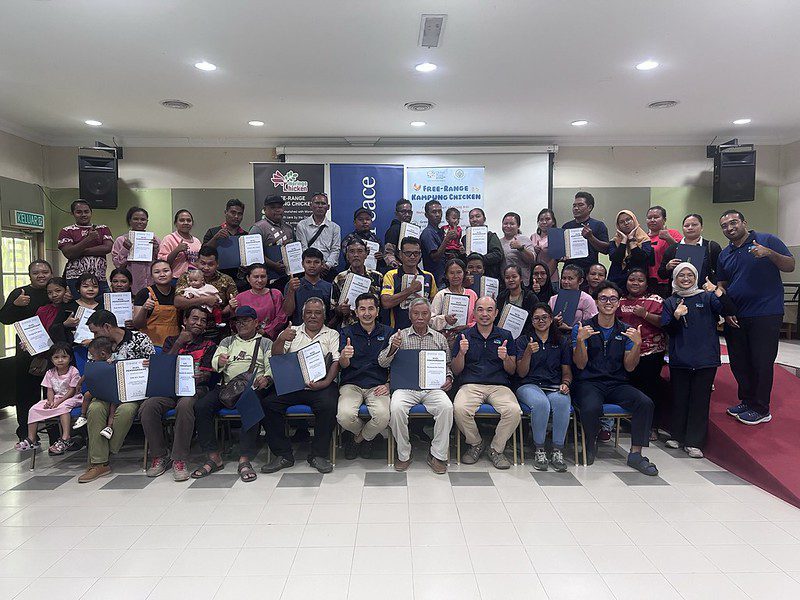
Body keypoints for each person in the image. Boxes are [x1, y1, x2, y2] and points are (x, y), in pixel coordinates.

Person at [718, 210, 795, 424]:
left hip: (765, 312)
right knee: (739, 361)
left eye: (734, 222)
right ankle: (746, 400)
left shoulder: (766, 240)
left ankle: (761, 408)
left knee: (761, 361)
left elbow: (790, 265)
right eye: (725, 225)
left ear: (744, 222)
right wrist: (727, 308)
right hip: (737, 315)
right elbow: (722, 283)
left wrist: (769, 253)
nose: (730, 228)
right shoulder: (725, 254)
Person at [572, 281, 657, 474]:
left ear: (618, 303)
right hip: (589, 382)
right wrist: (579, 341)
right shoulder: (583, 328)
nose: (608, 302)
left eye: (612, 299)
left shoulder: (627, 331)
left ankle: (636, 454)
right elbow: (580, 364)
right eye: (603, 298)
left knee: (645, 402)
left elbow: (630, 366)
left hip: (617, 383)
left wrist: (637, 344)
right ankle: (590, 445)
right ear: (596, 301)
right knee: (591, 406)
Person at [191, 306, 273, 482]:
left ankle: (244, 458)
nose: (241, 324)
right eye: (238, 321)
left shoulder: (265, 342)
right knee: (201, 406)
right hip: (227, 387)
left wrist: (266, 378)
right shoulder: (227, 341)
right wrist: (219, 361)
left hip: (251, 388)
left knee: (251, 405)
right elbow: (215, 363)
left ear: (256, 322)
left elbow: (270, 366)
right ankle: (214, 457)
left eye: (246, 320)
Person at [662, 263, 735, 457]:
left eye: (690, 275)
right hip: (680, 359)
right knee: (680, 399)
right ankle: (677, 436)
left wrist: (718, 291)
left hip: (705, 358)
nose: (685, 279)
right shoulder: (671, 301)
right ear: (675, 279)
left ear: (695, 277)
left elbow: (729, 310)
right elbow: (668, 330)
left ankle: (694, 442)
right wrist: (676, 316)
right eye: (681, 276)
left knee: (700, 401)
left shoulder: (707, 297)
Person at [260, 297, 340, 474]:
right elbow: (276, 357)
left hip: (321, 385)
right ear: (302, 315)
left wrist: (326, 382)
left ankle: (318, 455)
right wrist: (281, 339)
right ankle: (283, 455)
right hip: (293, 385)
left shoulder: (332, 334)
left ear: (324, 316)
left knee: (329, 405)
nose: (313, 316)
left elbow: (336, 361)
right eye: (309, 312)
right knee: (268, 404)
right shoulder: (292, 331)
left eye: (317, 313)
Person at [78, 310, 155, 483]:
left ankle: (104, 452)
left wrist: (149, 364)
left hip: (132, 393)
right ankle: (99, 464)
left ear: (107, 326)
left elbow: (155, 367)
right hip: (105, 391)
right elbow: (93, 370)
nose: (94, 336)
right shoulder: (98, 346)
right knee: (95, 408)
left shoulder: (140, 339)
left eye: (96, 331)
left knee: (126, 410)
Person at [140, 307, 217, 481]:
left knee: (185, 405)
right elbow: (163, 366)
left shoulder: (209, 344)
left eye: (203, 320)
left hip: (195, 388)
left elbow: (208, 374)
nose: (198, 323)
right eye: (194, 319)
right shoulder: (170, 341)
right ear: (185, 320)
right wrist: (179, 343)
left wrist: (201, 376)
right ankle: (160, 455)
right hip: (169, 388)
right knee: (148, 406)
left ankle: (179, 459)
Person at [379, 298, 454, 474]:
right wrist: (393, 348)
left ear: (430, 316)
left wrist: (449, 378)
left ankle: (437, 455)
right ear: (410, 315)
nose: (420, 317)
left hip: (432, 389)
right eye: (416, 313)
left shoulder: (439, 338)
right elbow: (382, 363)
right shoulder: (399, 336)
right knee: (396, 408)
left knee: (447, 407)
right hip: (405, 388)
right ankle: (404, 454)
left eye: (424, 313)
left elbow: (447, 365)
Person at [452, 296, 520, 469]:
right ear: (474, 313)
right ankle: (476, 443)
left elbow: (512, 370)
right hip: (470, 385)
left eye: (489, 310)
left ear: (496, 313)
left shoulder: (505, 336)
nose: (485, 314)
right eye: (480, 309)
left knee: (514, 411)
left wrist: (505, 358)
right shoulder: (464, 335)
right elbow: (456, 370)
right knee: (459, 409)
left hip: (499, 386)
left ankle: (496, 449)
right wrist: (461, 353)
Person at [0, 260, 58, 446]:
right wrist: (16, 305)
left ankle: (55, 435)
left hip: (53, 352)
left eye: (45, 271)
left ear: (51, 272)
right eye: (36, 272)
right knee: (26, 394)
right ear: (29, 275)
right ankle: (26, 433)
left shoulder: (56, 292)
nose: (41, 275)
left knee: (53, 393)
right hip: (27, 353)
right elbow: (4, 318)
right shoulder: (20, 293)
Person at [516, 303, 572, 472]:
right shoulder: (524, 340)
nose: (541, 321)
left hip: (554, 385)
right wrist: (527, 353)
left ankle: (557, 450)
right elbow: (520, 372)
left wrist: (566, 384)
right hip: (529, 385)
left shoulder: (561, 341)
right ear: (531, 321)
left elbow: (567, 371)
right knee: (541, 404)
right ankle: (539, 449)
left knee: (562, 403)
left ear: (551, 318)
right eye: (536, 318)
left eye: (544, 317)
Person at [337, 293, 393, 459]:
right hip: (352, 384)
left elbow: (395, 363)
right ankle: (369, 437)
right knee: (344, 416)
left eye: (371, 308)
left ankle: (358, 440)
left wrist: (389, 384)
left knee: (383, 417)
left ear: (377, 311)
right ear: (356, 312)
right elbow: (342, 365)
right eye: (362, 309)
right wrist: (345, 356)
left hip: (378, 384)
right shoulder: (347, 332)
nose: (366, 313)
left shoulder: (388, 332)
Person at [617, 268, 667, 439]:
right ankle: (628, 422)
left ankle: (652, 426)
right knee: (630, 389)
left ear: (646, 283)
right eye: (632, 279)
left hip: (651, 353)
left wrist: (645, 314)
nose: (635, 283)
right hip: (626, 353)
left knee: (650, 390)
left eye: (640, 280)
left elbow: (664, 323)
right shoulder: (619, 301)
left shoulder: (655, 300)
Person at [14, 343, 82, 455]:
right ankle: (31, 439)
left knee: (64, 409)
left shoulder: (73, 371)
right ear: (51, 359)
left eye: (64, 357)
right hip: (56, 398)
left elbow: (71, 391)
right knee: (34, 409)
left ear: (70, 358)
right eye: (56, 357)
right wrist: (50, 401)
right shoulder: (50, 373)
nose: (60, 360)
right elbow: (49, 390)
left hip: (72, 398)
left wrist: (58, 402)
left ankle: (65, 437)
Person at [174, 246, 238, 340]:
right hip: (192, 329)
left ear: (217, 264)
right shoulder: (187, 277)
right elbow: (178, 302)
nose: (206, 268)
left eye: (210, 264)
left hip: (217, 329)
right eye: (202, 263)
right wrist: (205, 300)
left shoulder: (226, 280)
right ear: (197, 262)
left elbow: (235, 300)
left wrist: (222, 312)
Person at [57, 200, 113, 297]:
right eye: (79, 212)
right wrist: (89, 239)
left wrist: (79, 250)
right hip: (75, 279)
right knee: (79, 309)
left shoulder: (102, 229)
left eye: (86, 212)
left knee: (104, 308)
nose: (83, 215)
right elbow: (69, 253)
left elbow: (107, 248)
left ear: (91, 213)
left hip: (99, 278)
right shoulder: (66, 231)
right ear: (72, 213)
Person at [381, 236, 438, 329]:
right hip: (397, 330)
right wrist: (410, 290)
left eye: (416, 253)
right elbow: (386, 303)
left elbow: (434, 306)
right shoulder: (391, 275)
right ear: (400, 254)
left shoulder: (429, 276)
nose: (412, 257)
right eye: (408, 253)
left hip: (423, 331)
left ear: (420, 255)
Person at [330, 238, 384, 328]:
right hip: (349, 327)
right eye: (351, 252)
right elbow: (332, 309)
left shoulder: (378, 277)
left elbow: (383, 306)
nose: (356, 255)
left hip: (374, 328)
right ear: (347, 256)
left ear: (366, 254)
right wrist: (341, 309)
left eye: (360, 251)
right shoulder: (339, 278)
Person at [658, 213, 722, 284]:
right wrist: (667, 267)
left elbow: (721, 273)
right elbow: (661, 275)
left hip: (704, 292)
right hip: (678, 292)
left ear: (702, 227)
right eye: (686, 226)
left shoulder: (712, 247)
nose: (690, 228)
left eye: (694, 225)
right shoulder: (672, 249)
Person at [111, 206, 160, 294]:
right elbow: (118, 265)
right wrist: (125, 249)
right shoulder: (121, 240)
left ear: (147, 222)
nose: (139, 222)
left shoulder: (154, 239)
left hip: (151, 285)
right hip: (131, 286)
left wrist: (156, 249)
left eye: (143, 219)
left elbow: (161, 263)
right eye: (135, 219)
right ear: (130, 221)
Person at [249, 195, 295, 287]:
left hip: (288, 277)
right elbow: (253, 254)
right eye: (273, 207)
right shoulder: (258, 228)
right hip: (267, 279)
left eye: (280, 207)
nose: (277, 210)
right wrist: (274, 265)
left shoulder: (289, 228)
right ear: (264, 209)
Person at [233, 264, 288, 340]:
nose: (260, 280)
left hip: (271, 338)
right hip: (247, 339)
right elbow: (237, 321)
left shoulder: (276, 294)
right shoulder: (240, 297)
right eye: (256, 277)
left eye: (263, 276)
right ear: (248, 278)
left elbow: (281, 317)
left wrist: (266, 331)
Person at [132, 260, 179, 347]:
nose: (162, 274)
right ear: (152, 276)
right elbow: (137, 324)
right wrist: (144, 309)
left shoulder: (178, 293)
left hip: (173, 345)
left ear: (172, 273)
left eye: (166, 271)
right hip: (150, 345)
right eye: (157, 272)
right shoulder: (144, 293)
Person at [296, 192, 341, 281]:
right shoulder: (302, 225)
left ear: (328, 207)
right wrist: (314, 264)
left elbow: (335, 250)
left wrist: (327, 265)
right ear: (311, 205)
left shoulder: (335, 227)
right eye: (317, 203)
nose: (320, 206)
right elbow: (303, 248)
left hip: (328, 270)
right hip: (308, 269)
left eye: (323, 203)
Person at [202, 198, 248, 285]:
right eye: (233, 212)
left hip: (241, 281)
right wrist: (216, 238)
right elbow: (203, 253)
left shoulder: (246, 236)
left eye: (240, 214)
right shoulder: (213, 232)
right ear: (226, 212)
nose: (236, 217)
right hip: (216, 281)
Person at [562, 191, 610, 274]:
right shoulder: (566, 226)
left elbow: (606, 250)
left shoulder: (598, 225)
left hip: (589, 272)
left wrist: (591, 237)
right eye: (574, 205)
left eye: (580, 205)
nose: (576, 208)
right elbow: (561, 251)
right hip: (569, 272)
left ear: (589, 207)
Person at [72, 336, 113, 429]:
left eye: (92, 355)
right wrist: (79, 383)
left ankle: (109, 426)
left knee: (113, 406)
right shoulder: (95, 363)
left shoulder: (113, 361)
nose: (92, 357)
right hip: (99, 389)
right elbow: (87, 373)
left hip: (112, 389)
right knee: (87, 395)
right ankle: (83, 416)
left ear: (102, 354)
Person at [283, 248, 332, 325]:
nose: (312, 265)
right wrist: (291, 291)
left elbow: (332, 315)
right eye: (308, 262)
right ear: (302, 264)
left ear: (322, 264)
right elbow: (288, 312)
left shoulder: (329, 287)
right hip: (299, 331)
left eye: (316, 262)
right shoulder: (293, 284)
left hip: (323, 331)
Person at [50, 273, 101, 344]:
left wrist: (93, 341)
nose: (91, 289)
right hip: (73, 348)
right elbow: (53, 329)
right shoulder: (68, 306)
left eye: (95, 286)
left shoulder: (103, 307)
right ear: (78, 289)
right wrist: (65, 324)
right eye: (85, 286)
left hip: (98, 347)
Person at [608, 210, 653, 286]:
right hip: (616, 280)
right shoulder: (614, 241)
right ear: (618, 225)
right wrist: (624, 240)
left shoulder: (644, 240)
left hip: (637, 282)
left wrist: (631, 240)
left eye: (628, 219)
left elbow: (641, 259)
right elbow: (615, 259)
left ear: (634, 220)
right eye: (621, 222)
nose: (626, 223)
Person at [430, 258, 477, 332]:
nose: (455, 276)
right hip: (446, 337)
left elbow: (478, 319)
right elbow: (430, 321)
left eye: (459, 272)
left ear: (464, 273)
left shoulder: (472, 294)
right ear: (446, 275)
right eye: (451, 273)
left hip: (469, 337)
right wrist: (445, 319)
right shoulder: (441, 295)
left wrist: (467, 326)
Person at [645, 206, 682, 297]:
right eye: (649, 218)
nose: (652, 220)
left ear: (664, 220)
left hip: (666, 281)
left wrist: (668, 238)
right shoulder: (643, 237)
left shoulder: (672, 233)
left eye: (656, 217)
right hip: (647, 281)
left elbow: (682, 252)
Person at [549, 264, 597, 331]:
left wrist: (570, 329)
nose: (566, 282)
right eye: (563, 278)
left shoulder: (586, 299)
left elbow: (593, 324)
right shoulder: (553, 299)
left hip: (578, 336)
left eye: (570, 279)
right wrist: (553, 321)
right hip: (555, 335)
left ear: (580, 281)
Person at [158, 209, 201, 281]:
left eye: (188, 220)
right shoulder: (169, 239)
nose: (186, 223)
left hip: (194, 280)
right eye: (182, 220)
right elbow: (162, 263)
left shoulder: (197, 241)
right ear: (175, 223)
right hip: (175, 279)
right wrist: (177, 250)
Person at [495, 265, 539, 335]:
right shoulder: (501, 297)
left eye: (514, 277)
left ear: (521, 278)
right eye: (507, 277)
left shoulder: (530, 297)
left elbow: (534, 320)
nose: (510, 280)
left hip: (524, 337)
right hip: (501, 336)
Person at [464, 208, 505, 279]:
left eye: (477, 216)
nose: (474, 219)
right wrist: (462, 253)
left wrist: (479, 259)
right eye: (471, 217)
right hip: (469, 278)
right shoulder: (465, 238)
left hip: (490, 276)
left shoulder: (491, 236)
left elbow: (497, 254)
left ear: (484, 219)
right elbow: (465, 259)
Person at [500, 212, 537, 285]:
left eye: (512, 224)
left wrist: (521, 248)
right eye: (505, 223)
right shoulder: (499, 241)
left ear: (518, 226)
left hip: (521, 283)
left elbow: (532, 260)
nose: (508, 226)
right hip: (504, 283)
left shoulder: (523, 239)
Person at [530, 208, 560, 290]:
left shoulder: (556, 236)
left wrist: (546, 276)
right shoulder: (533, 236)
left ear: (553, 221)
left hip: (551, 277)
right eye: (541, 220)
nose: (544, 222)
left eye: (547, 219)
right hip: (536, 277)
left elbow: (556, 259)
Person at [383, 199, 415, 269]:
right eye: (403, 212)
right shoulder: (394, 230)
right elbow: (388, 253)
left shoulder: (413, 229)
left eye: (409, 212)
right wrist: (395, 265)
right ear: (396, 214)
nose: (407, 214)